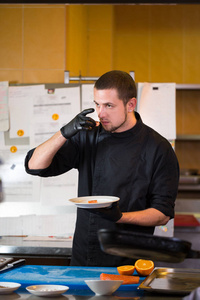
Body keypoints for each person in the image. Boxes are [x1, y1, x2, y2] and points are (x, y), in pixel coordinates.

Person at [25, 70, 179, 267]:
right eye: (97, 104)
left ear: (131, 104)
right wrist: (64, 133)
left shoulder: (158, 148)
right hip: (83, 259)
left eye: (109, 106)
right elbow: (34, 166)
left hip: (129, 264)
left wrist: (121, 217)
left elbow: (162, 213)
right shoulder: (87, 137)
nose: (100, 113)